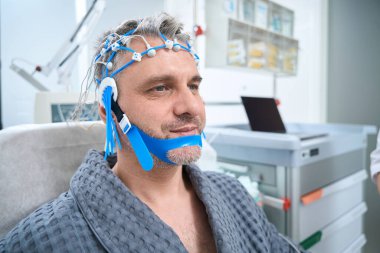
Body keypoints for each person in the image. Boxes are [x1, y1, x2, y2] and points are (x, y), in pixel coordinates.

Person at [0, 13, 303, 253]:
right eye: (160, 87)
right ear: (108, 110)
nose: (190, 107)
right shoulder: (41, 239)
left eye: (193, 86)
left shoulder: (233, 194)